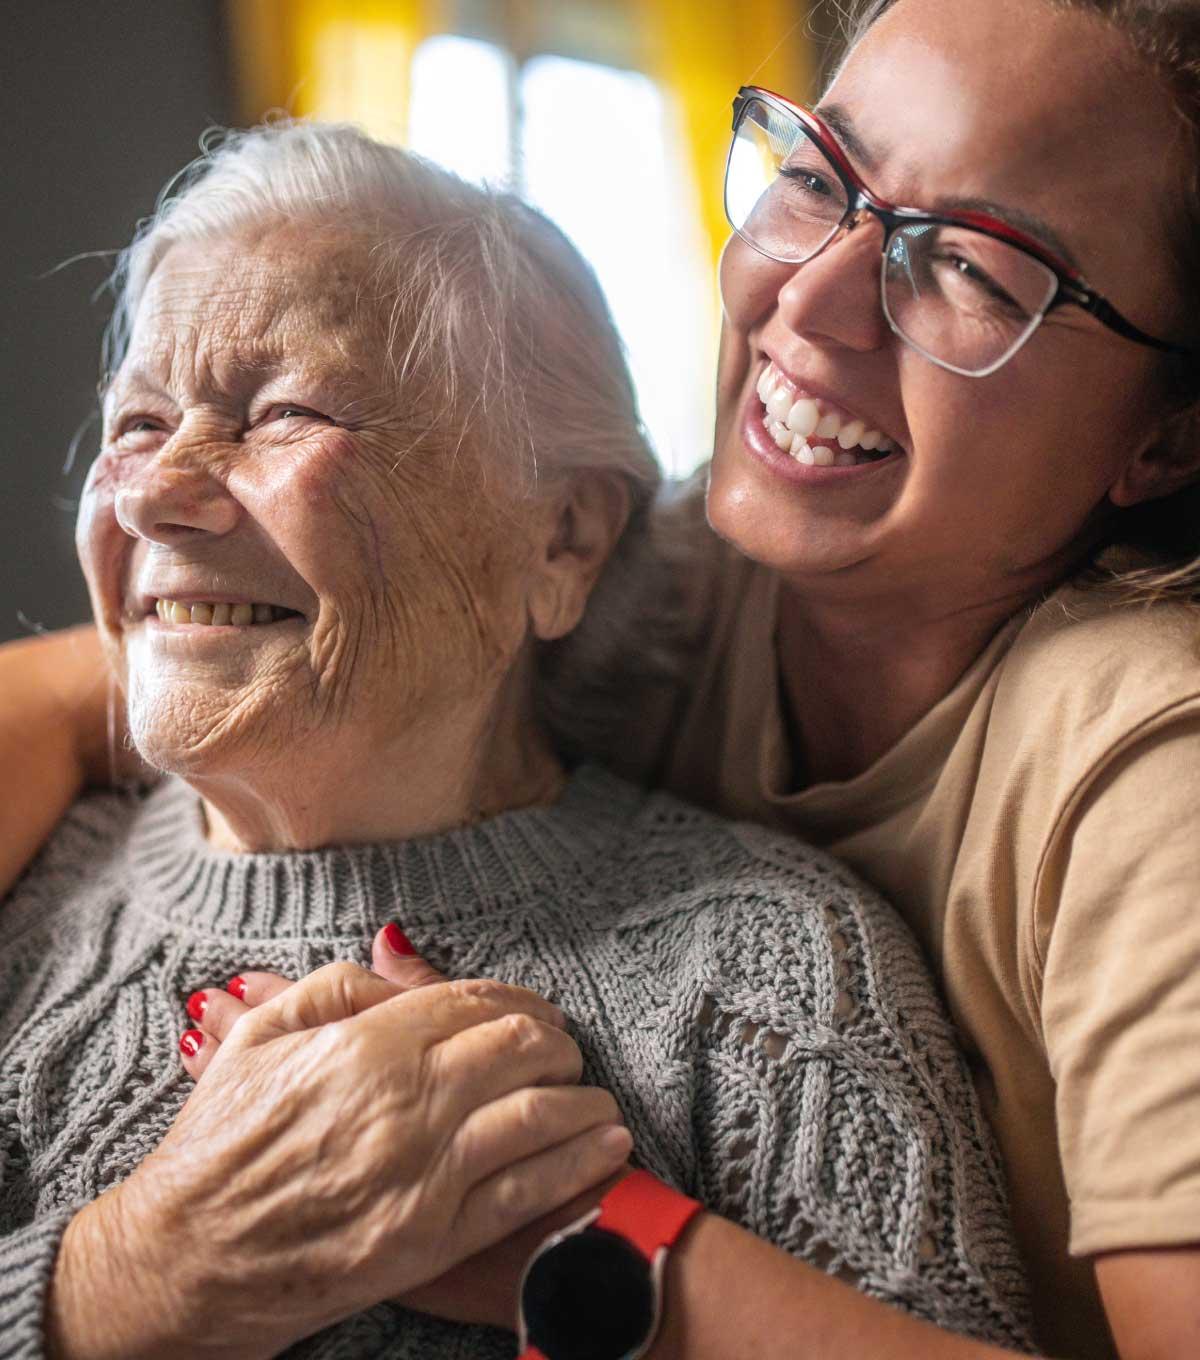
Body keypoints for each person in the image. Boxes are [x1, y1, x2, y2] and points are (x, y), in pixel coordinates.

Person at [8, 0, 1200, 1354]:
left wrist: (570, 1233)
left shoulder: (1146, 782)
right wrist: (117, 1280)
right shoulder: (683, 576)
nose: (799, 298)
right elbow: (152, 655)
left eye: (978, 270)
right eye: (816, 179)